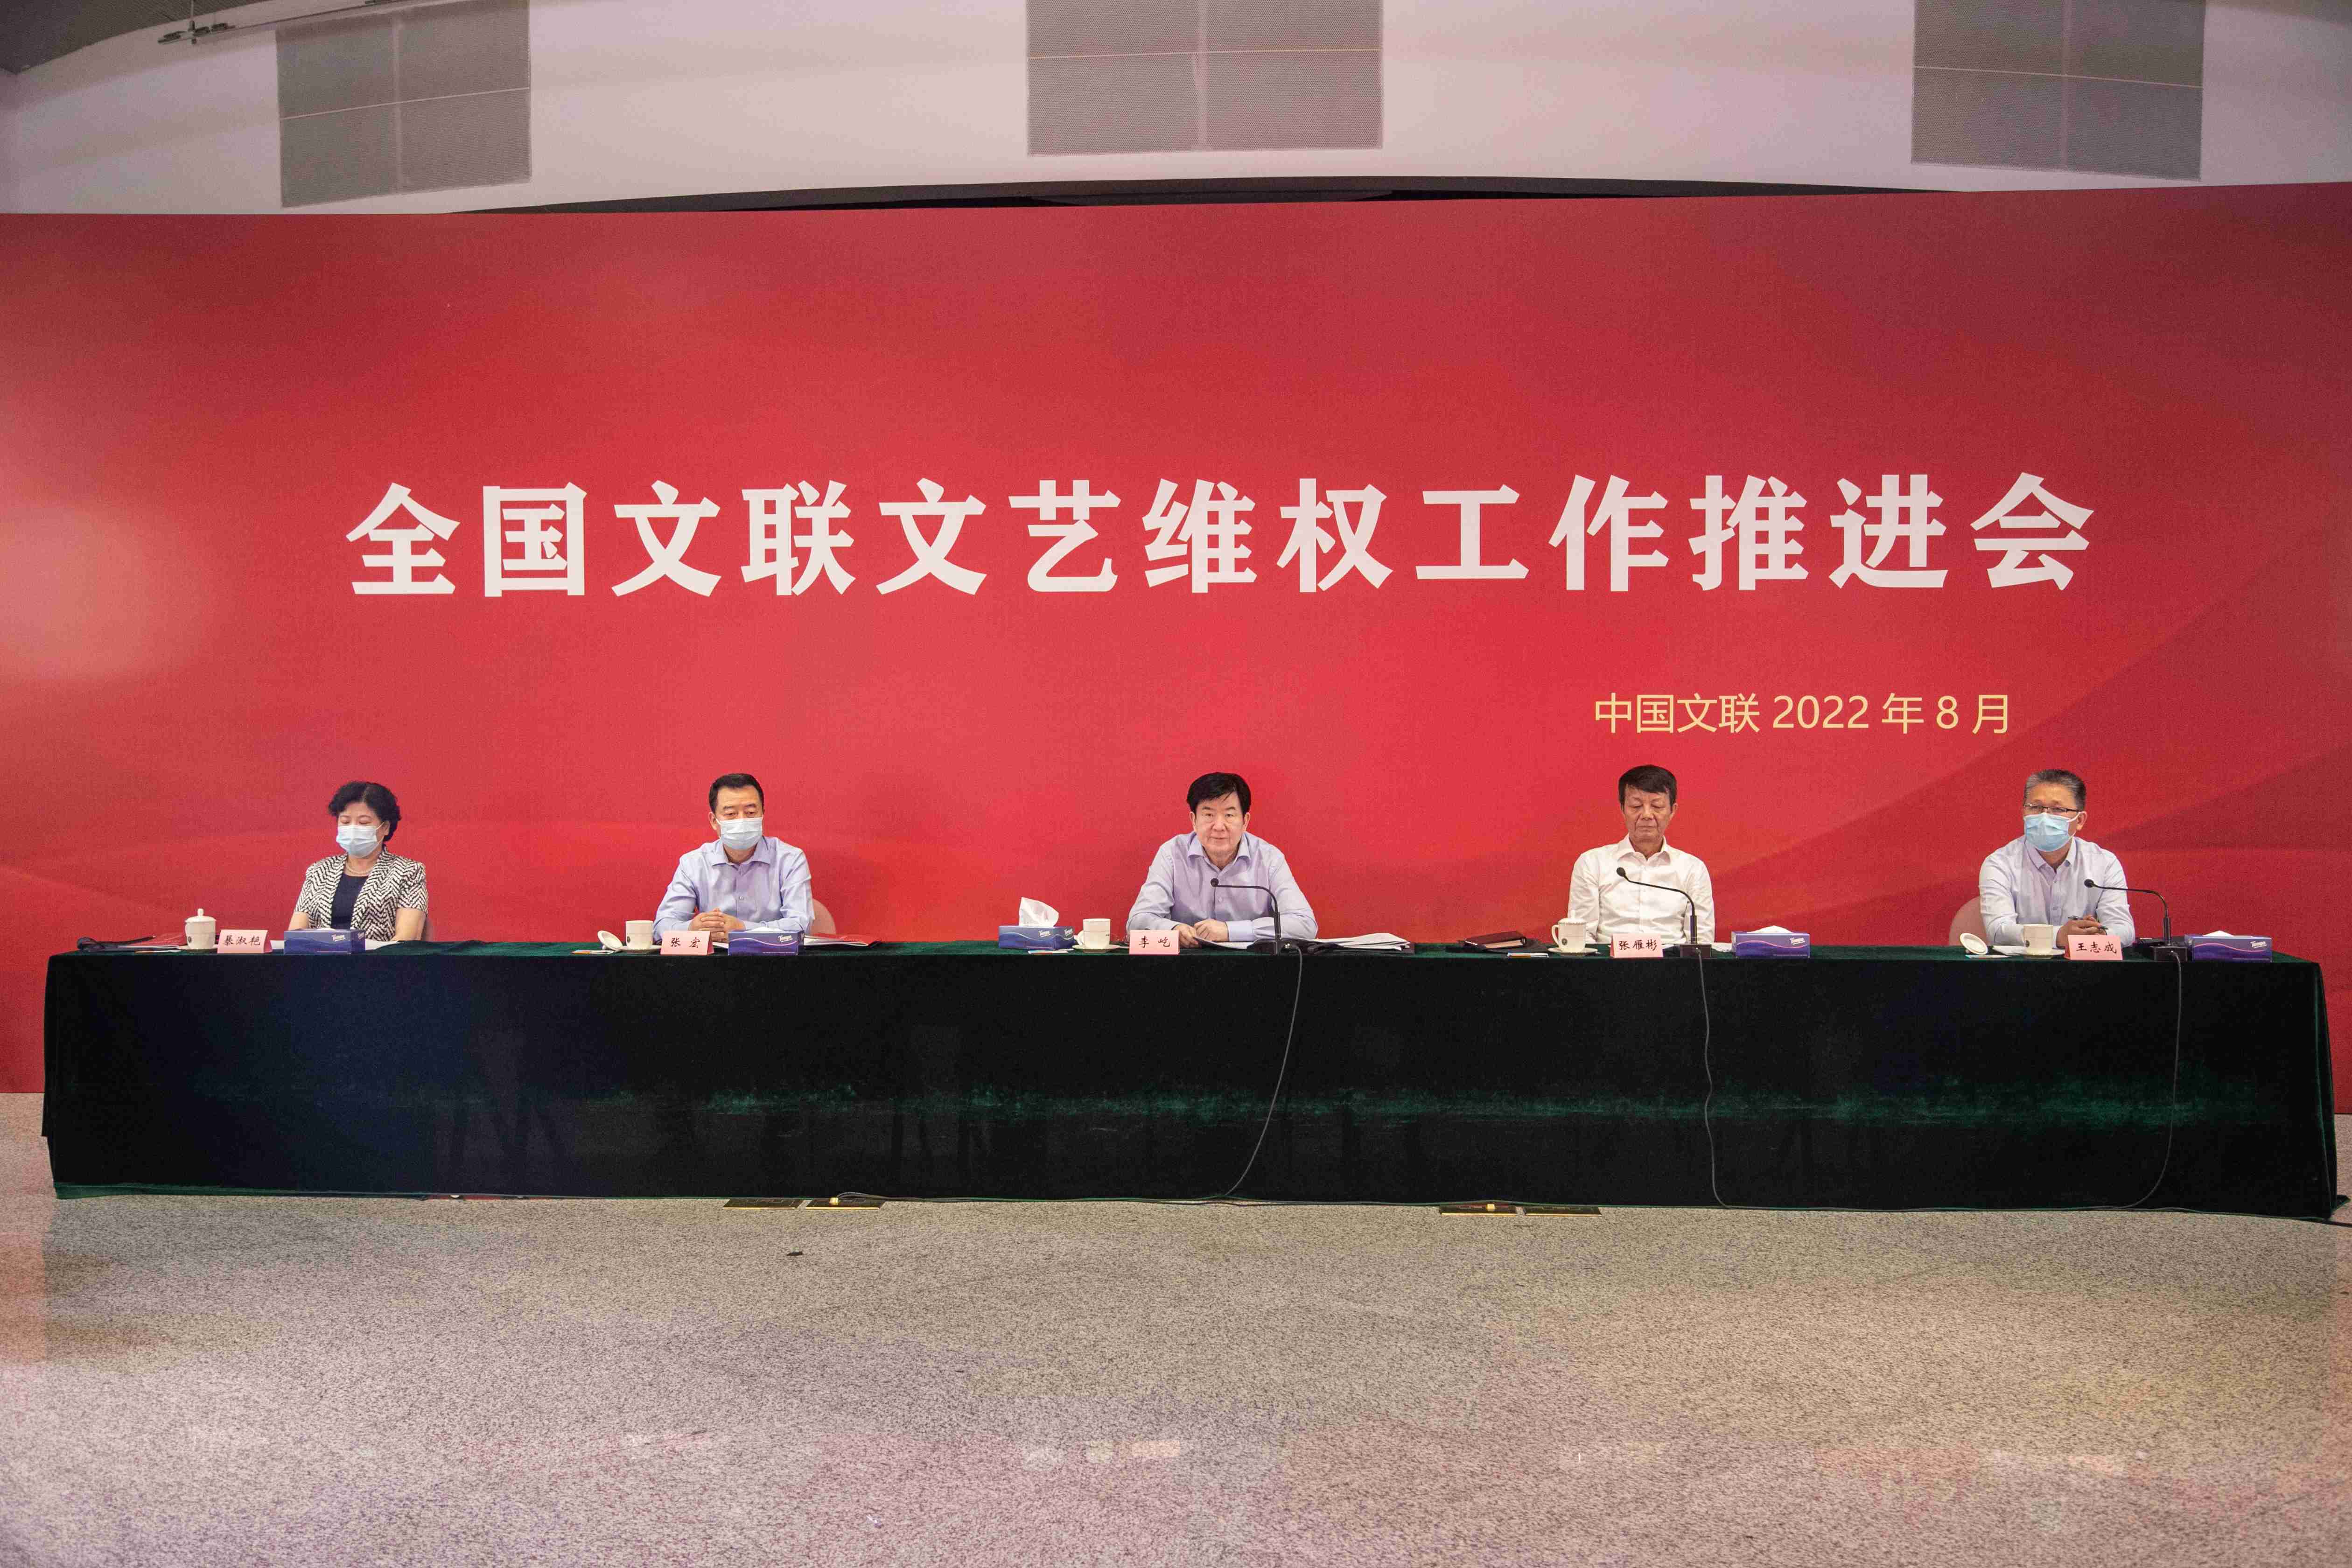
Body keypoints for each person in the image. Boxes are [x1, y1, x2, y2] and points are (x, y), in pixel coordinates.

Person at [1126, 771, 1317, 947]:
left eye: (1229, 815)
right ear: (1194, 820)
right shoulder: (1172, 855)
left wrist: (1230, 931)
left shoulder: (1269, 858)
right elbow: (1137, 922)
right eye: (1209, 815)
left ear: (1245, 821)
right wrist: (1172, 930)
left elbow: (1305, 924)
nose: (1219, 826)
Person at [1979, 768, 2134, 947]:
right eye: (2035, 807)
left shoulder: (2104, 863)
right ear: (2023, 813)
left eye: (2058, 809)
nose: (2044, 817)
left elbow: (2124, 928)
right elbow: (1998, 931)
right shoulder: (2000, 863)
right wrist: (2058, 936)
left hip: (2085, 962)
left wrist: (2098, 934)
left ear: (2080, 820)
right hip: (2023, 964)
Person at [1566, 764, 1715, 945]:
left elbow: (1701, 941)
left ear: (1673, 811)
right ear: (1623, 809)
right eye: (1636, 806)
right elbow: (1581, 936)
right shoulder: (1592, 863)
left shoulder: (1693, 869)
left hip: (1672, 961)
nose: (1646, 815)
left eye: (1657, 806)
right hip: (1609, 960)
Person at [654, 772, 813, 941]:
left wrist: (743, 929)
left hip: (773, 956)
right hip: (714, 957)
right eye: (731, 814)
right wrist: (691, 928)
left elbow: (801, 926)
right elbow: (661, 928)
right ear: (714, 821)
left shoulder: (790, 860)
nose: (742, 820)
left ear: (762, 815)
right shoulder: (693, 864)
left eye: (751, 812)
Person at [287, 781, 428, 942]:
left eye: (364, 823)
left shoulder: (408, 871)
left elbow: (407, 938)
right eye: (345, 822)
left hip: (381, 957)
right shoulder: (319, 871)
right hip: (320, 957)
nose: (353, 829)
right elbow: (295, 935)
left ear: (385, 828)